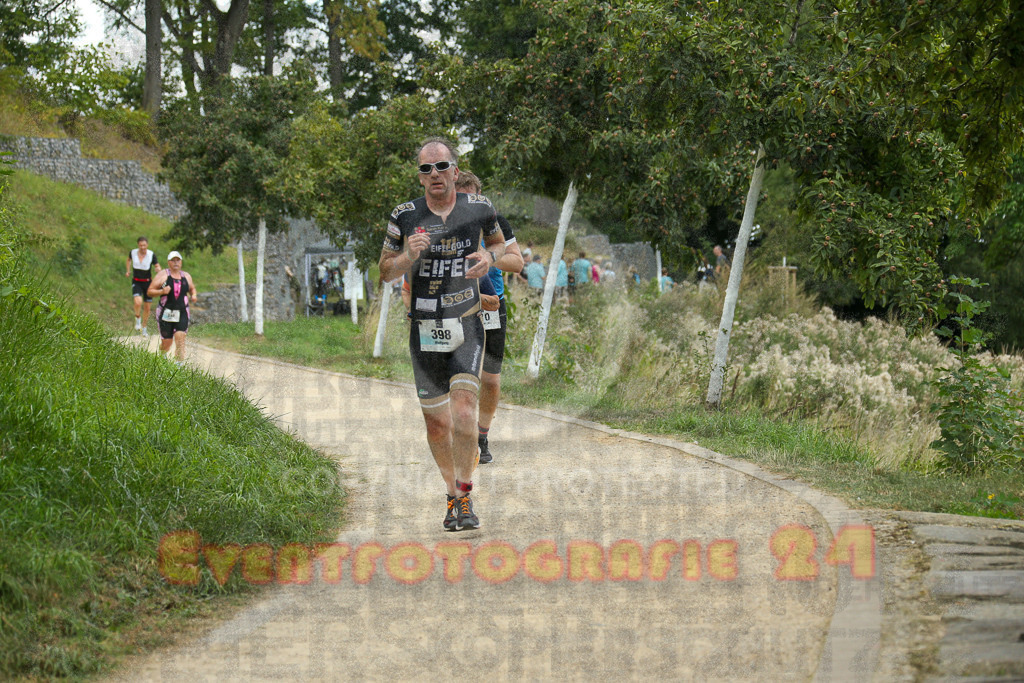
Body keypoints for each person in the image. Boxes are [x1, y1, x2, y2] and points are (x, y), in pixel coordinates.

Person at [378, 137, 506, 532]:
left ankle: (465, 494)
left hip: (466, 322)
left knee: (465, 412)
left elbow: (503, 247)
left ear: (454, 168)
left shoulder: (480, 208)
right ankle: (451, 493)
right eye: (425, 169)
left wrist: (489, 257)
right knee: (438, 425)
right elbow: (385, 270)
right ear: (419, 177)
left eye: (441, 166)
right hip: (424, 330)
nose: (434, 173)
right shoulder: (403, 215)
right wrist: (407, 256)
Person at [454, 171, 524, 466]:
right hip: (456, 307)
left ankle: (482, 435)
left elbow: (517, 262)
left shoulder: (496, 224)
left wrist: (489, 255)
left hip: (493, 307)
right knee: (462, 378)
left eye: (474, 198)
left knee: (491, 381)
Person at [148, 251, 197, 366]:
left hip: (182, 312)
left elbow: (192, 288)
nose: (176, 263)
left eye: (178, 260)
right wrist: (161, 291)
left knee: (180, 337)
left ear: (181, 262)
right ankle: (161, 357)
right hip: (166, 312)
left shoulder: (186, 276)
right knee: (167, 342)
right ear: (168, 262)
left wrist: (194, 295)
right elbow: (150, 291)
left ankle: (178, 367)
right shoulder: (163, 275)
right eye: (173, 260)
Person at [126, 236, 161, 336]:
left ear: (147, 245)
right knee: (138, 302)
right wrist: (128, 270)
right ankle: (137, 318)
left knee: (147, 308)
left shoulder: (151, 254)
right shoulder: (133, 252)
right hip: (137, 281)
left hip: (148, 283)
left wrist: (158, 269)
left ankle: (144, 328)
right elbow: (128, 260)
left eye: (144, 245)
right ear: (138, 245)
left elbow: (157, 265)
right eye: (141, 245)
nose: (142, 247)